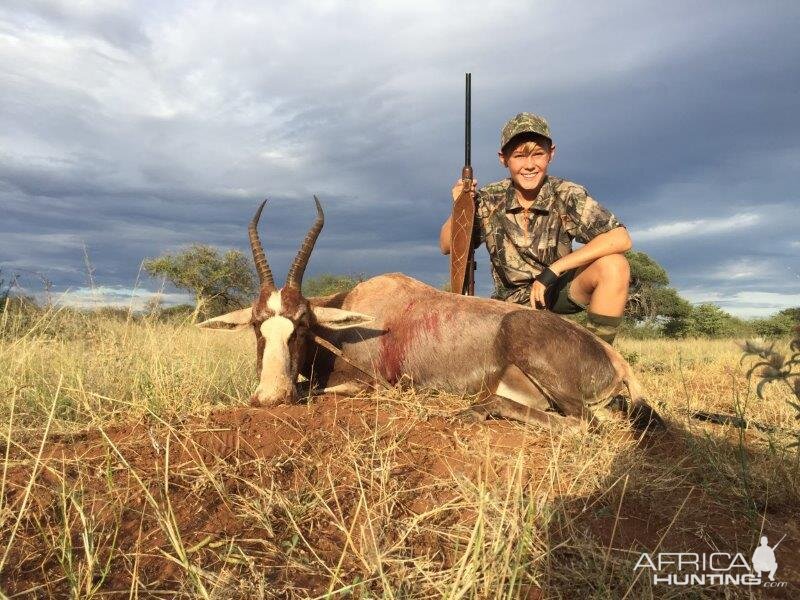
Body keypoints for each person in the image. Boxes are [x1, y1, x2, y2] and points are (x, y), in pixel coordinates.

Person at [440, 112, 632, 344]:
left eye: (538, 154)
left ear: (551, 154)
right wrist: (461, 206)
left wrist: (553, 271)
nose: (529, 165)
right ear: (504, 158)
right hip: (508, 304)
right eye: (519, 156)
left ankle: (598, 362)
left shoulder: (567, 193)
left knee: (614, 265)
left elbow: (620, 238)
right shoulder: (489, 199)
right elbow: (447, 246)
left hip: (555, 290)